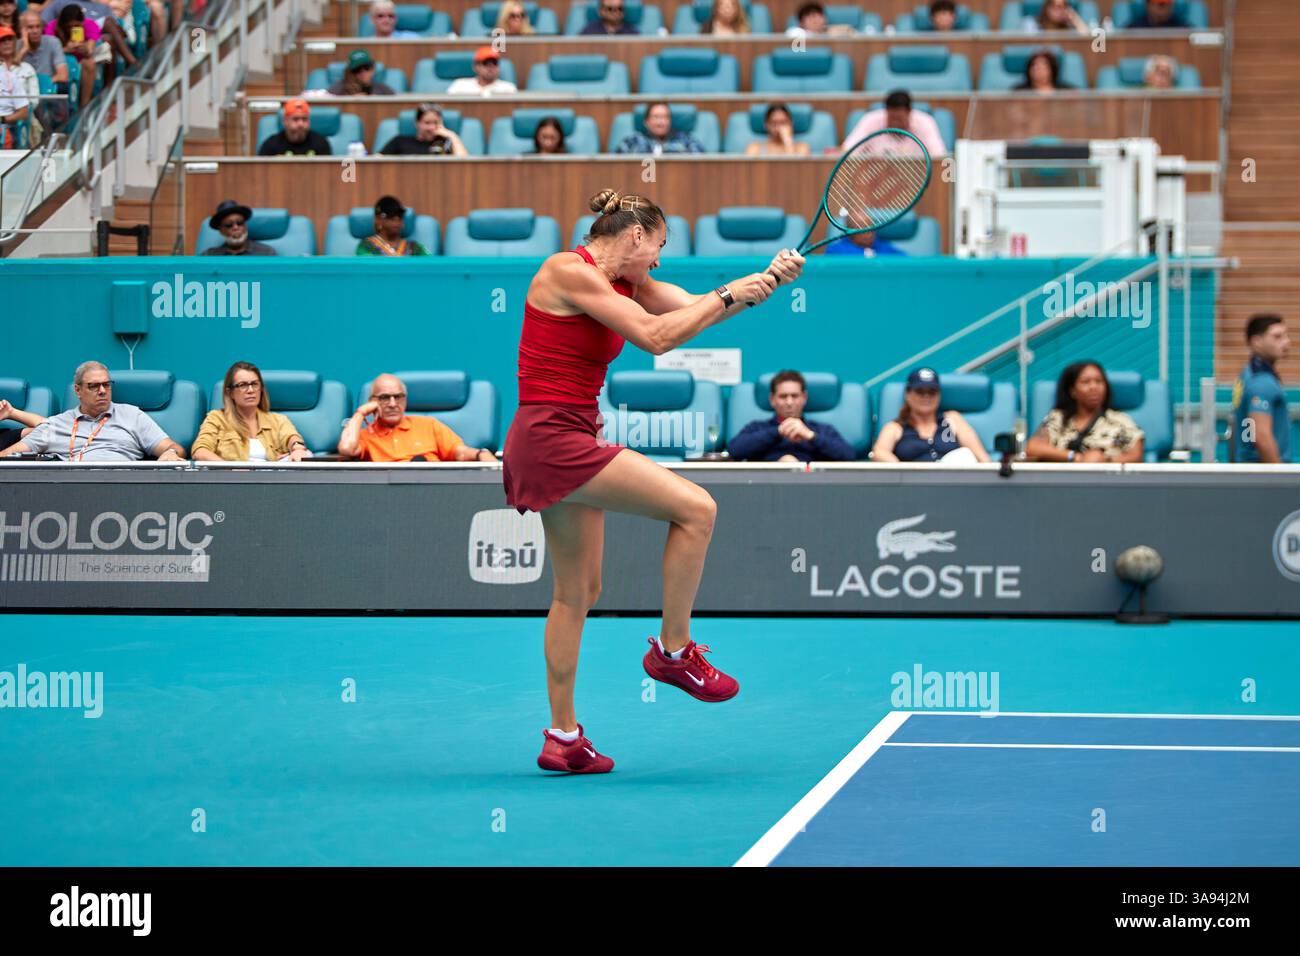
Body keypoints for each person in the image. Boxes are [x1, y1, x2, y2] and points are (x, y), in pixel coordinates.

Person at [502, 187, 802, 772]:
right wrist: (727, 292)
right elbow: (658, 337)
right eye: (658, 247)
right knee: (697, 509)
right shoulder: (566, 270)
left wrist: (765, 281)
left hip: (568, 438)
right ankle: (672, 652)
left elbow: (692, 306)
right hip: (551, 438)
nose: (659, 261)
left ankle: (562, 739)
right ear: (635, 235)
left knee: (577, 593)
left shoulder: (628, 285)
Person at [0, 361, 187, 461]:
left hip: (121, 489)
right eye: (94, 386)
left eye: (107, 384)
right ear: (78, 390)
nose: (103, 391)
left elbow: (175, 448)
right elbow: (7, 457)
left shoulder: (132, 415)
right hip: (67, 494)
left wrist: (170, 453)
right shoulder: (56, 424)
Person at [338, 373, 497, 462]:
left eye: (398, 397)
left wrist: (480, 453)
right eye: (385, 397)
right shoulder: (367, 436)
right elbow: (347, 448)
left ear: (405, 400)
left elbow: (459, 453)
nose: (393, 404)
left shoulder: (429, 425)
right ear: (373, 402)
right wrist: (360, 413)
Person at [1024, 361, 1145, 462]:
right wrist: (1075, 457)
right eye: (1085, 382)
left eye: (1099, 381)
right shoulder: (1058, 418)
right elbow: (1033, 448)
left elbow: (1136, 456)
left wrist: (1104, 461)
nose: (1094, 387)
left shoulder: (1120, 420)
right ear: (1073, 391)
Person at [191, 362, 310, 462]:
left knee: (307, 455)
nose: (250, 390)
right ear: (230, 392)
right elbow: (200, 451)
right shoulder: (216, 418)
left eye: (254, 384)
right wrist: (229, 470)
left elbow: (291, 437)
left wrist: (297, 449)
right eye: (242, 385)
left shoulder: (278, 419)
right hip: (232, 481)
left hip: (271, 480)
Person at [727, 370, 854, 462]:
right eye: (783, 396)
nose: (789, 402)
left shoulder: (821, 430)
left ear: (804, 398)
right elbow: (735, 450)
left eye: (795, 396)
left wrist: (810, 436)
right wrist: (778, 431)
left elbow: (848, 455)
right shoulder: (757, 427)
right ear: (772, 399)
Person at [871, 368, 990, 463]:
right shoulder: (896, 427)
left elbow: (982, 458)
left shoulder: (952, 419)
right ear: (907, 394)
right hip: (915, 486)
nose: (926, 396)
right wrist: (904, 473)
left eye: (932, 392)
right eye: (920, 391)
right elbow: (879, 452)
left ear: (939, 395)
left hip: (954, 484)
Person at [1231, 314, 1291, 463]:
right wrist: (1281, 477)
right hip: (1261, 470)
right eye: (1277, 337)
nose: (1286, 342)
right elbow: (1261, 436)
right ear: (1257, 342)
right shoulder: (1261, 382)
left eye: (1286, 336)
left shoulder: (1248, 374)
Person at [839, 89, 948, 157]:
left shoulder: (925, 122)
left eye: (899, 118)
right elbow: (849, 151)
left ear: (909, 112)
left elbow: (938, 156)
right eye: (892, 118)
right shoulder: (870, 120)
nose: (895, 123)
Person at [18, 9, 69, 129]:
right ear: (22, 30)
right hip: (24, 96)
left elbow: (63, 75)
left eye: (38, 26)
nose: (35, 31)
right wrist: (24, 49)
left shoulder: (53, 42)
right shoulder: (16, 46)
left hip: (48, 95)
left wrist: (41, 84)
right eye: (30, 27)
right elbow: (9, 73)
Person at [47, 5, 98, 107]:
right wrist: (66, 49)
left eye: (76, 26)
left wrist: (85, 49)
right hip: (58, 62)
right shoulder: (52, 27)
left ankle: (85, 104)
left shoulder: (90, 25)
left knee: (89, 63)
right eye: (69, 26)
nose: (71, 29)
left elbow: (90, 50)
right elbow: (48, 53)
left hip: (80, 61)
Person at [613, 101, 703, 155]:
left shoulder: (686, 140)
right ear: (646, 122)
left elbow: (702, 162)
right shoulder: (632, 141)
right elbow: (614, 164)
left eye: (665, 117)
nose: (660, 122)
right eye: (656, 117)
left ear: (670, 121)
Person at [354, 195, 431, 256]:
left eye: (400, 216)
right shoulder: (366, 246)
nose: (396, 219)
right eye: (391, 215)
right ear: (378, 220)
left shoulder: (414, 247)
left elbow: (430, 267)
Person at [379, 102, 468, 155]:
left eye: (436, 123)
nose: (432, 127)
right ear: (417, 123)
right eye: (427, 123)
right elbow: (377, 160)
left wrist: (451, 135)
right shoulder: (400, 141)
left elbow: (463, 163)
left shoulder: (445, 142)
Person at [257, 98, 332, 156]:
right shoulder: (271, 145)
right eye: (295, 119)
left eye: (304, 119)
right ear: (285, 121)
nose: (300, 124)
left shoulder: (321, 143)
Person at [202, 199, 277, 256]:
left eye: (240, 223)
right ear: (221, 230)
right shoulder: (209, 256)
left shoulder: (266, 253)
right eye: (229, 225)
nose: (235, 228)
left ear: (245, 226)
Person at [0, 25, 35, 148]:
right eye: (2, 40)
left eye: (9, 40)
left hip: (12, 122)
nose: (6, 43)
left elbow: (30, 105)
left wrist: (3, 119)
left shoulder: (23, 70)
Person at [446, 46, 517, 96]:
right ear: (475, 67)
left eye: (494, 63)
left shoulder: (509, 89)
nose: (491, 68)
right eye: (486, 64)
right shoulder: (459, 86)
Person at [744, 103, 810, 156]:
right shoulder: (754, 148)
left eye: (783, 123)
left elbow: (797, 169)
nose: (778, 128)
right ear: (766, 124)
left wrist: (788, 141)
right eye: (774, 123)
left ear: (791, 123)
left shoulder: (802, 148)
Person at [327, 49, 395, 96]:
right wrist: (350, 100)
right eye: (357, 69)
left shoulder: (383, 89)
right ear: (351, 72)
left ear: (373, 68)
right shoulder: (339, 87)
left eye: (366, 67)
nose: (363, 72)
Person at [822, 227, 904, 257]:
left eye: (871, 228)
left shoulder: (883, 246)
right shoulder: (835, 251)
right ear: (850, 232)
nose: (870, 233)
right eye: (863, 228)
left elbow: (906, 262)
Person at [1127, 0, 1193, 28]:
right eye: (1161, 4)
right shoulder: (1135, 27)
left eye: (1169, 3)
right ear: (1148, 5)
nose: (1166, 7)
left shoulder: (1182, 27)